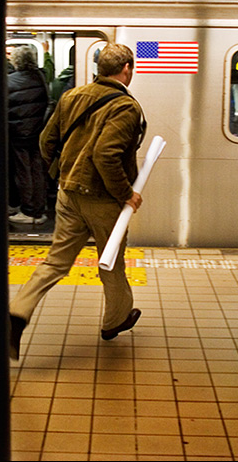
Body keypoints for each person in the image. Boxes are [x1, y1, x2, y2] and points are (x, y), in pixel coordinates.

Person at [8, 42, 146, 360]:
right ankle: (114, 321)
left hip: (68, 195)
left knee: (56, 262)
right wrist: (127, 193)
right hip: (103, 200)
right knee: (110, 262)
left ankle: (17, 312)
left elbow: (47, 141)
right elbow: (105, 155)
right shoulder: (125, 107)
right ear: (126, 69)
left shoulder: (72, 96)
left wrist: (63, 173)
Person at [7, 46, 50, 225]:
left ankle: (28, 210)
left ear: (16, 62)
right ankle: (39, 210)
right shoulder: (41, 77)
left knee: (23, 172)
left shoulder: (10, 81)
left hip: (19, 135)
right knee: (37, 171)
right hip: (38, 132)